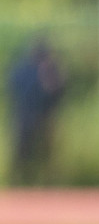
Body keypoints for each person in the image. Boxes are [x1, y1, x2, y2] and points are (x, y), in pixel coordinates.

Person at [7, 39, 66, 185]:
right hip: (25, 115)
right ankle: (21, 180)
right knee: (23, 150)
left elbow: (57, 91)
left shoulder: (49, 70)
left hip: (43, 116)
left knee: (44, 152)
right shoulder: (23, 69)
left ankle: (44, 181)